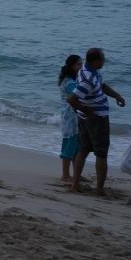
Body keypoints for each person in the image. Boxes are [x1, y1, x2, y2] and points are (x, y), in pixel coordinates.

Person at [68, 47, 127, 196]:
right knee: (101, 154)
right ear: (95, 61)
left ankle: (75, 184)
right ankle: (99, 189)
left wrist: (117, 96)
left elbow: (102, 85)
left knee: (83, 150)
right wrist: (86, 110)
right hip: (96, 119)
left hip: (85, 118)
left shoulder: (88, 70)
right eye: (102, 59)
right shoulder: (88, 79)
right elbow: (72, 99)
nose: (104, 61)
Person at [58, 54, 82, 183]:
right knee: (70, 145)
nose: (81, 67)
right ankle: (65, 174)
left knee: (76, 146)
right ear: (72, 66)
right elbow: (76, 96)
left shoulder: (69, 80)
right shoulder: (69, 82)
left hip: (71, 116)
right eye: (79, 64)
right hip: (71, 117)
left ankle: (76, 173)